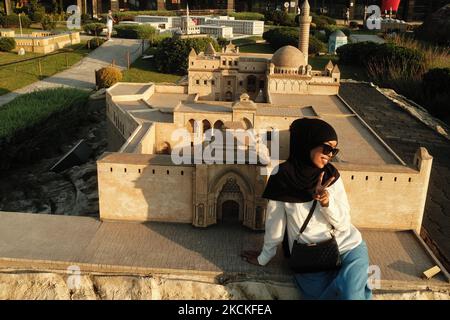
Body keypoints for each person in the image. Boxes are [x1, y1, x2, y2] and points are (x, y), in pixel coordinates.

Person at [241, 118, 372, 300]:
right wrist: (264, 257)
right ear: (307, 143)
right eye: (327, 148)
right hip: (310, 259)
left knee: (352, 297)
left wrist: (326, 202)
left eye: (334, 150)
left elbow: (343, 225)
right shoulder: (282, 176)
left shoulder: (331, 177)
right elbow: (275, 225)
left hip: (348, 248)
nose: (330, 155)